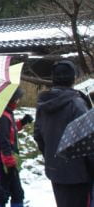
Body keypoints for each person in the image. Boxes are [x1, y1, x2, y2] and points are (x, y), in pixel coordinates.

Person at [34, 60, 93, 207]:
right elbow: (88, 140)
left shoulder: (44, 103)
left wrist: (52, 156)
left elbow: (38, 135)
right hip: (78, 174)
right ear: (73, 79)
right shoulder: (77, 104)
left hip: (55, 170)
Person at [0, 87, 34, 207]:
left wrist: (23, 122)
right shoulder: (4, 116)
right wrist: (10, 164)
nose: (19, 101)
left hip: (8, 160)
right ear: (13, 99)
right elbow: (3, 140)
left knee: (16, 193)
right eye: (18, 98)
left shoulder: (7, 112)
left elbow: (10, 130)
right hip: (5, 162)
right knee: (5, 194)